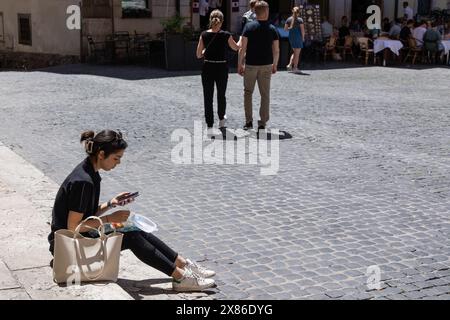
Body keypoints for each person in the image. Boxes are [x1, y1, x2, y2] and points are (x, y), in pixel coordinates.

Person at [48, 130, 216, 292]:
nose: (118, 162)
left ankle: (182, 264)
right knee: (131, 235)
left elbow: (86, 215)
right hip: (69, 248)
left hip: (78, 240)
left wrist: (111, 203)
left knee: (132, 226)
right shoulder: (84, 182)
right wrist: (109, 219)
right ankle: (181, 277)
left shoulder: (89, 172)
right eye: (116, 158)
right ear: (101, 154)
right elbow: (73, 227)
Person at [238, 1, 279, 131]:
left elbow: (242, 48)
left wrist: (240, 63)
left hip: (250, 65)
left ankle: (248, 122)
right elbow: (276, 50)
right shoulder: (272, 29)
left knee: (248, 93)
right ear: (266, 12)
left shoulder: (249, 27)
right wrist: (275, 64)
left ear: (255, 12)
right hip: (266, 65)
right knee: (265, 94)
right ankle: (262, 123)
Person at [197, 10, 240, 133]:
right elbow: (235, 48)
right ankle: (221, 120)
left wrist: (206, 51)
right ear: (221, 21)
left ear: (210, 20)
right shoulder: (226, 35)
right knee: (221, 95)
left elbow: (198, 55)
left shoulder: (204, 35)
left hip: (207, 68)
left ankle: (209, 125)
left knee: (208, 97)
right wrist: (242, 40)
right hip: (221, 68)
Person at [285, 7, 305, 73]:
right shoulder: (300, 20)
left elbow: (285, 29)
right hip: (298, 37)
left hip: (291, 37)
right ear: (299, 12)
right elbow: (302, 31)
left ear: (292, 11)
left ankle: (290, 65)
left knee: (294, 52)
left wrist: (290, 28)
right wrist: (303, 38)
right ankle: (295, 68)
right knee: (297, 54)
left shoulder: (288, 19)